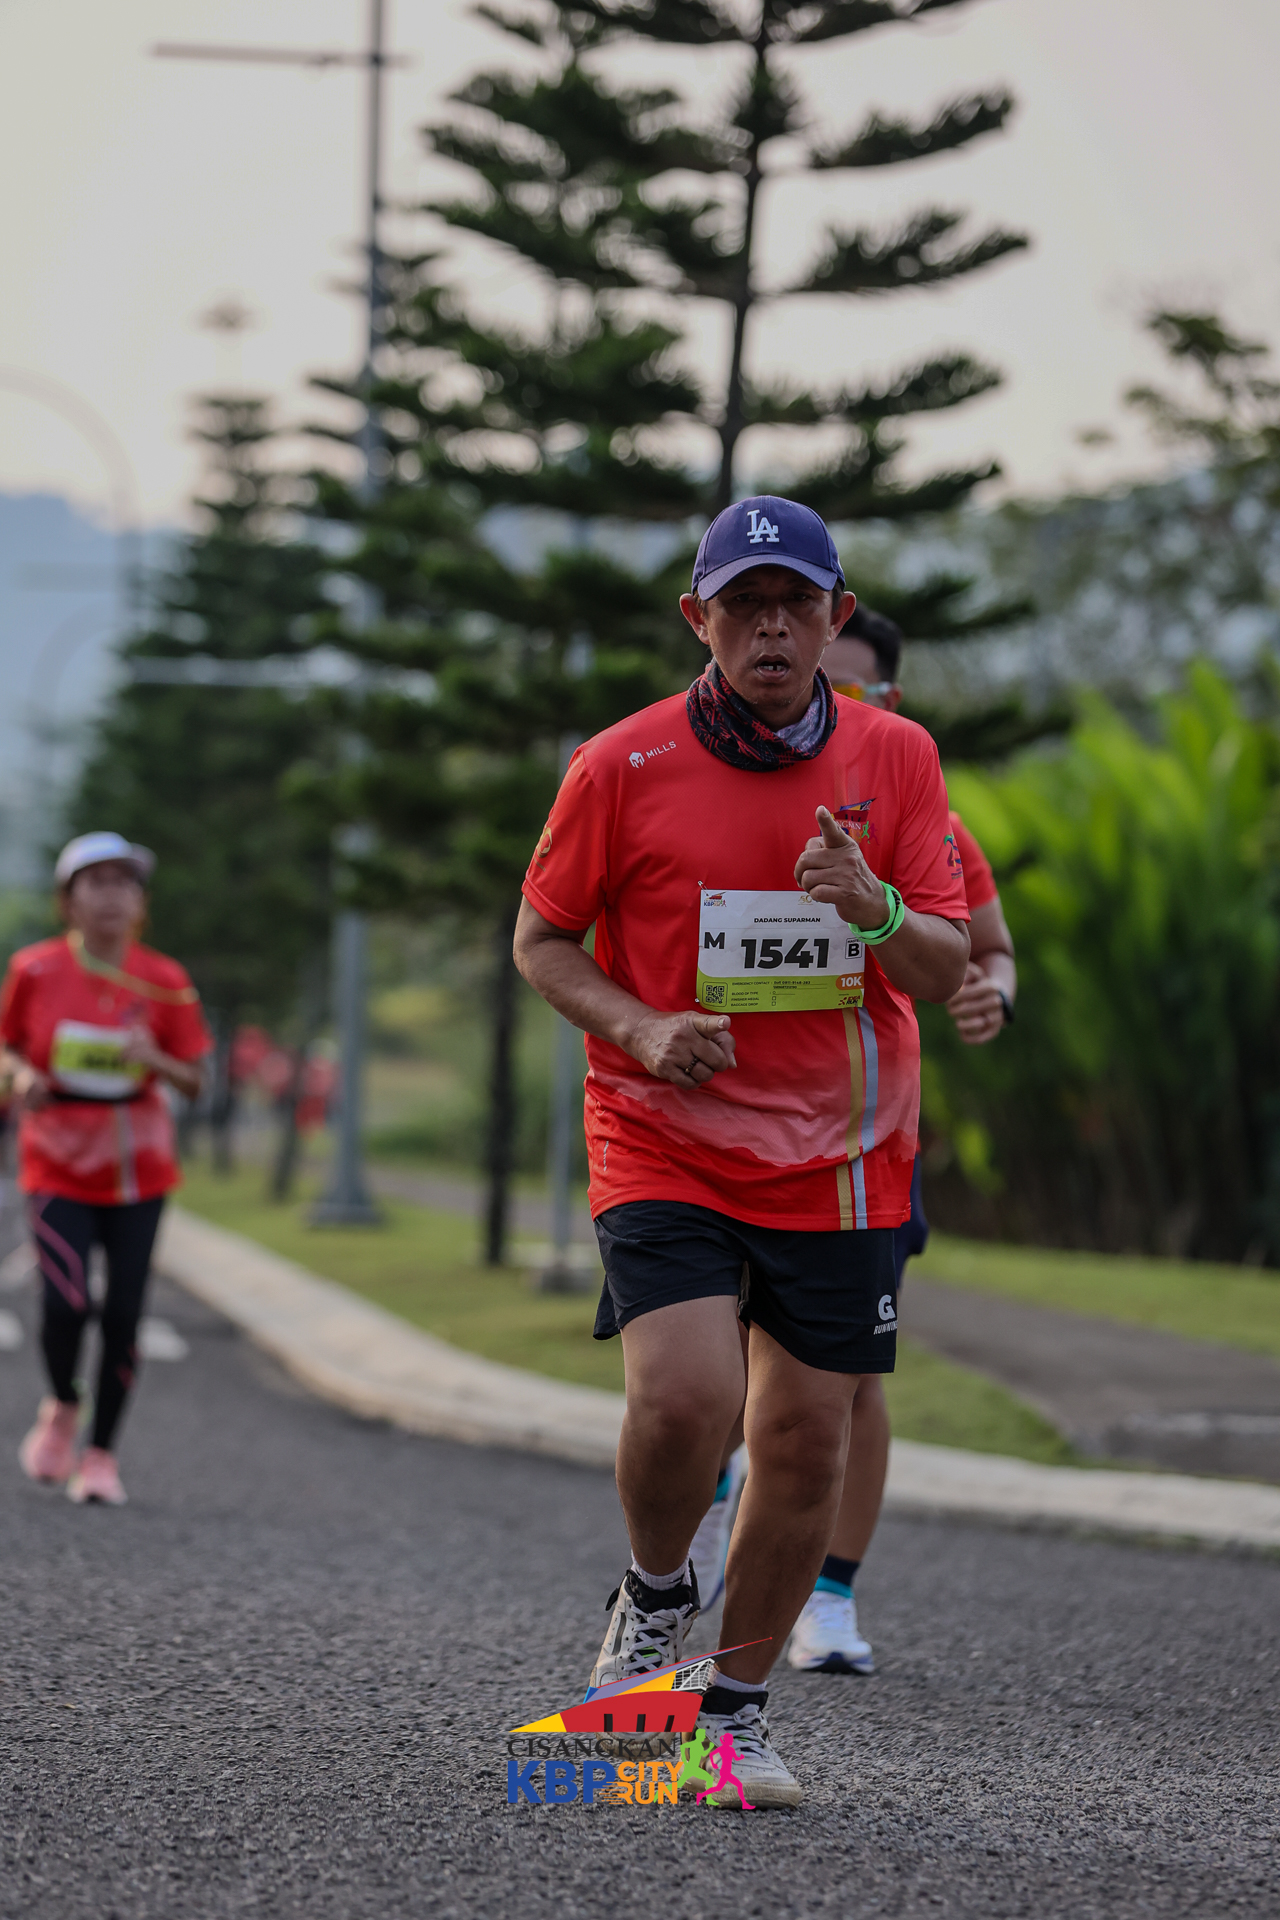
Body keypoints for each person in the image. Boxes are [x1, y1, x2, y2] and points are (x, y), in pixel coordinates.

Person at [515, 497, 970, 1807]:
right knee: (682, 1399)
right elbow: (540, 941)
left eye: (796, 605)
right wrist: (640, 1027)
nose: (772, 628)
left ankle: (727, 1717)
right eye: (743, 605)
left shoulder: (896, 758)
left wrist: (872, 908)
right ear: (697, 620)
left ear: (836, 619)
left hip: (842, 1155)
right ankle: (657, 1595)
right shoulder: (620, 765)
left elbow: (942, 964)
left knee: (805, 1441)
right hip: (662, 1130)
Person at [786, 605, 1017, 1674]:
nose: (830, 700)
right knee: (713, 1371)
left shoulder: (927, 820)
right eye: (818, 680)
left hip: (868, 1142)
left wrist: (992, 995)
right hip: (719, 1140)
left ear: (890, 699)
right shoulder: (716, 793)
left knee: (850, 1380)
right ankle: (706, 1537)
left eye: (856, 687)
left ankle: (829, 1597)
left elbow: (992, 950)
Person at [4, 833, 210, 1505]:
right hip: (56, 1161)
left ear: (141, 902)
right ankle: (64, 1405)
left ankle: (100, 1457)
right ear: (68, 900)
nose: (112, 895)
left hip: (138, 1167)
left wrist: (155, 1060)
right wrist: (20, 1075)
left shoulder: (166, 980)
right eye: (96, 882)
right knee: (66, 1304)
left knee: (124, 1313)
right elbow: (5, 1047)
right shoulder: (34, 969)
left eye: (125, 883)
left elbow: (196, 1080)